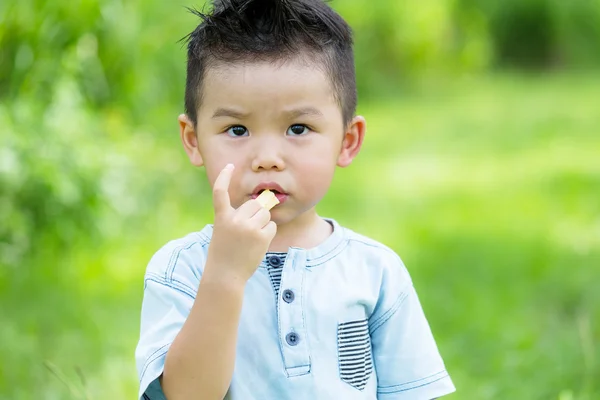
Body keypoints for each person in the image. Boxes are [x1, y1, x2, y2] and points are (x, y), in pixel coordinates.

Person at [135, 0, 455, 399]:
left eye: (298, 128)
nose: (267, 158)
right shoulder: (179, 270)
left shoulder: (375, 272)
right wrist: (225, 275)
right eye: (237, 130)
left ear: (347, 141)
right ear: (193, 140)